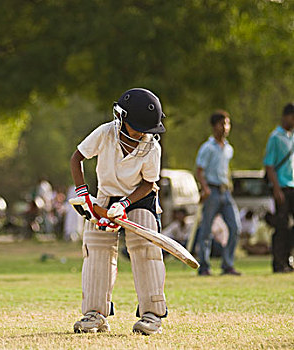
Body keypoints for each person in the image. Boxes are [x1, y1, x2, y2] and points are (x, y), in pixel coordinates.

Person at [70, 88, 167, 335]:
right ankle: (95, 314)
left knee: (145, 248)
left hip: (140, 198)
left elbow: (149, 183)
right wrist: (85, 196)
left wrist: (124, 204)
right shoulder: (105, 133)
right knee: (97, 249)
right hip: (105, 197)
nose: (142, 135)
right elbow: (77, 158)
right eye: (138, 128)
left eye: (147, 130)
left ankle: (152, 315)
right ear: (121, 118)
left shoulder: (152, 148)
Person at [195, 110, 241, 276]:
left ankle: (227, 264)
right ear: (214, 126)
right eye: (222, 124)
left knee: (235, 227)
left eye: (227, 124)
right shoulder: (208, 148)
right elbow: (199, 171)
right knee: (206, 230)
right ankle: (204, 266)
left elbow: (224, 169)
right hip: (212, 191)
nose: (225, 127)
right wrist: (205, 188)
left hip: (225, 192)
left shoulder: (229, 148)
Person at [263, 102, 294, 273]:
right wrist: (276, 189)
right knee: (282, 226)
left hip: (293, 185)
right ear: (286, 116)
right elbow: (269, 165)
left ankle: (288, 259)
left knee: (290, 227)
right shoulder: (275, 137)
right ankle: (278, 262)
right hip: (281, 187)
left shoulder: (292, 136)